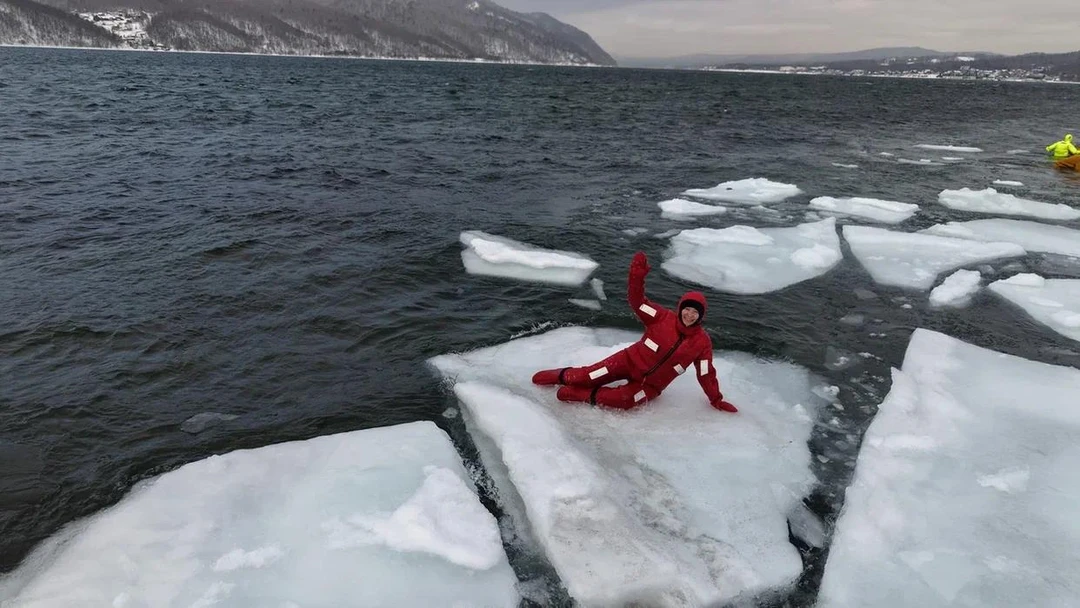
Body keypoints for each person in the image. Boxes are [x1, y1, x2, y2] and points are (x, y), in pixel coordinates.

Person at [532, 251, 738, 412]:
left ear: (700, 316)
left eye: (695, 312)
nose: (690, 315)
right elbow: (637, 302)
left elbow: (705, 374)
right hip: (627, 362)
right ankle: (563, 377)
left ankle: (579, 395)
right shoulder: (660, 317)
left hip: (650, 386)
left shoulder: (702, 343)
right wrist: (636, 277)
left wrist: (716, 399)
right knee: (588, 376)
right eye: (687, 309)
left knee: (626, 401)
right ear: (681, 308)